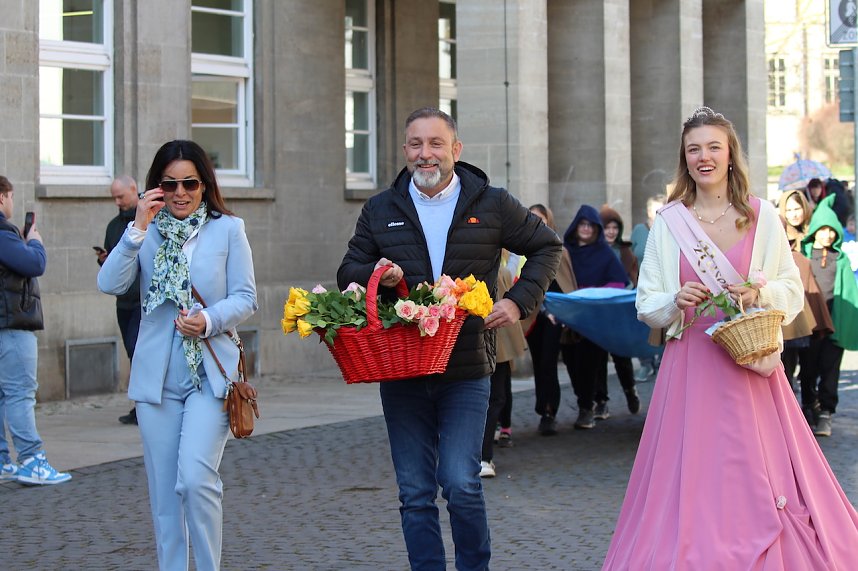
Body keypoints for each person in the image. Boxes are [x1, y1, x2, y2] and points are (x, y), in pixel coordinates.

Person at [603, 107, 858, 569]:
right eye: (694, 149)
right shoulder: (670, 222)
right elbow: (646, 304)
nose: (704, 157)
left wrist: (759, 291)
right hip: (691, 362)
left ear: (729, 154)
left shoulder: (761, 216)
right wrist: (676, 299)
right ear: (685, 158)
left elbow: (791, 290)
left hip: (749, 363)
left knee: (754, 465)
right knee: (696, 468)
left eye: (713, 147)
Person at [337, 107, 561, 570]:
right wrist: (376, 270)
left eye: (436, 143)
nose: (426, 154)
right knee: (415, 491)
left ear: (456, 150)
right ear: (405, 150)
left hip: (467, 368)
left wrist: (518, 301)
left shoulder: (492, 203)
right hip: (402, 369)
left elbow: (546, 246)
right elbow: (348, 271)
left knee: (461, 482)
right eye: (416, 144)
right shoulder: (381, 209)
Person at [98, 140, 257, 571]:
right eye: (170, 184)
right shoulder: (144, 231)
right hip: (157, 379)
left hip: (210, 376)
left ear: (204, 185)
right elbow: (110, 284)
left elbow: (246, 297)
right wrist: (136, 229)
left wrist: (208, 320)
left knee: (196, 479)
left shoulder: (228, 229)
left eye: (190, 183)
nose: (180, 193)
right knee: (166, 495)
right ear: (157, 187)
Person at [0, 176, 72, 486]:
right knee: (20, 393)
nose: (12, 204)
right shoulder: (3, 233)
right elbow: (34, 264)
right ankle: (32, 460)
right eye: (11, 197)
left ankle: (3, 461)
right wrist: (35, 242)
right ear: (2, 197)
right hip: (12, 325)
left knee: (4, 396)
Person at [559, 206, 629, 429]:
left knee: (589, 363)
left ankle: (586, 408)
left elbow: (618, 282)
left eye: (590, 225)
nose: (586, 229)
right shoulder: (565, 252)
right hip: (569, 317)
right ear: (576, 226)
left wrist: (592, 294)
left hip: (595, 318)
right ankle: (585, 401)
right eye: (583, 224)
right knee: (571, 362)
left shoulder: (604, 252)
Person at [799, 194, 858, 437]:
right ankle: (809, 405)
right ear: (814, 231)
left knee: (830, 369)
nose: (827, 235)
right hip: (810, 324)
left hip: (834, 322)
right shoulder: (803, 256)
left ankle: (826, 411)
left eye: (831, 230)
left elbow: (849, 292)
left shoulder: (840, 259)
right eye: (822, 230)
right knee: (808, 369)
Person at [521, 203, 575, 436]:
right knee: (538, 362)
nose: (536, 222)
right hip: (531, 315)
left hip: (553, 316)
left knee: (548, 362)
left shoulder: (558, 249)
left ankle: (549, 411)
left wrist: (558, 310)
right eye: (531, 218)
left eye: (540, 219)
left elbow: (565, 284)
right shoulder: (519, 248)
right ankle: (542, 406)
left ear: (548, 221)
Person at [95, 175, 142, 425]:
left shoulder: (148, 219)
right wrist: (104, 260)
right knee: (132, 352)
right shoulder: (114, 226)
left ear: (133, 189)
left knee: (138, 350)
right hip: (123, 301)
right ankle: (140, 405)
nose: (117, 202)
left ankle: (143, 405)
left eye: (120, 196)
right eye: (114, 197)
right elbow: (113, 265)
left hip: (143, 300)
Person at [778, 189, 833, 393]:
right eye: (789, 210)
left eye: (797, 208)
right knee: (787, 365)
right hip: (793, 308)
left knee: (812, 364)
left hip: (815, 303)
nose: (793, 214)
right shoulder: (781, 235)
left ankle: (811, 402)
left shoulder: (815, 234)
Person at [479, 253, 527, 478]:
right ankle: (482, 456)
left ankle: (482, 454)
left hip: (494, 341)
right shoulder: (498, 269)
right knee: (493, 398)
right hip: (491, 341)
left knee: (495, 396)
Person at [629, 193, 666, 381]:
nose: (659, 212)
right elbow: (630, 256)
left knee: (662, 325)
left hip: (664, 287)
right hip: (640, 285)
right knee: (640, 326)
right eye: (656, 209)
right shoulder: (639, 230)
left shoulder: (669, 229)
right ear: (648, 211)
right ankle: (645, 363)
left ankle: (662, 363)